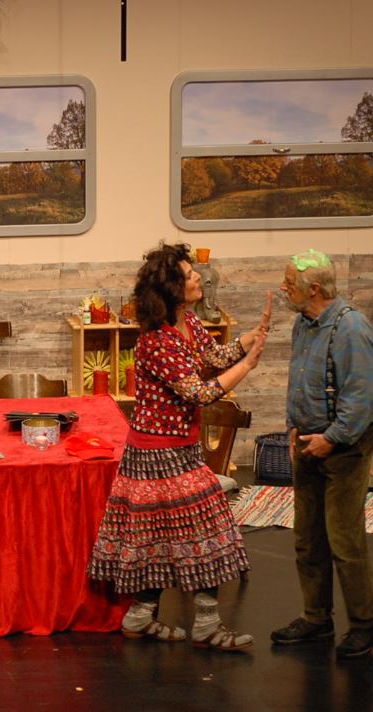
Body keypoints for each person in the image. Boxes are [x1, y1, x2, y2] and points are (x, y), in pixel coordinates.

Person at [87, 242, 271, 652]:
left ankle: (139, 616)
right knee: (206, 530)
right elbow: (199, 393)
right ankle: (204, 624)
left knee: (164, 537)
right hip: (157, 453)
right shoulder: (158, 341)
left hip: (179, 448)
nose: (198, 277)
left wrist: (249, 339)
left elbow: (215, 356)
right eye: (189, 275)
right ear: (172, 288)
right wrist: (247, 365)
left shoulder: (188, 322)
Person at [270, 249, 373, 659]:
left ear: (314, 289)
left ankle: (366, 624)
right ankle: (316, 617)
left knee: (344, 539)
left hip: (344, 448)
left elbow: (362, 397)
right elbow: (299, 379)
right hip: (307, 442)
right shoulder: (303, 324)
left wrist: (332, 438)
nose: (283, 288)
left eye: (290, 283)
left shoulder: (350, 328)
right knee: (308, 538)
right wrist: (293, 426)